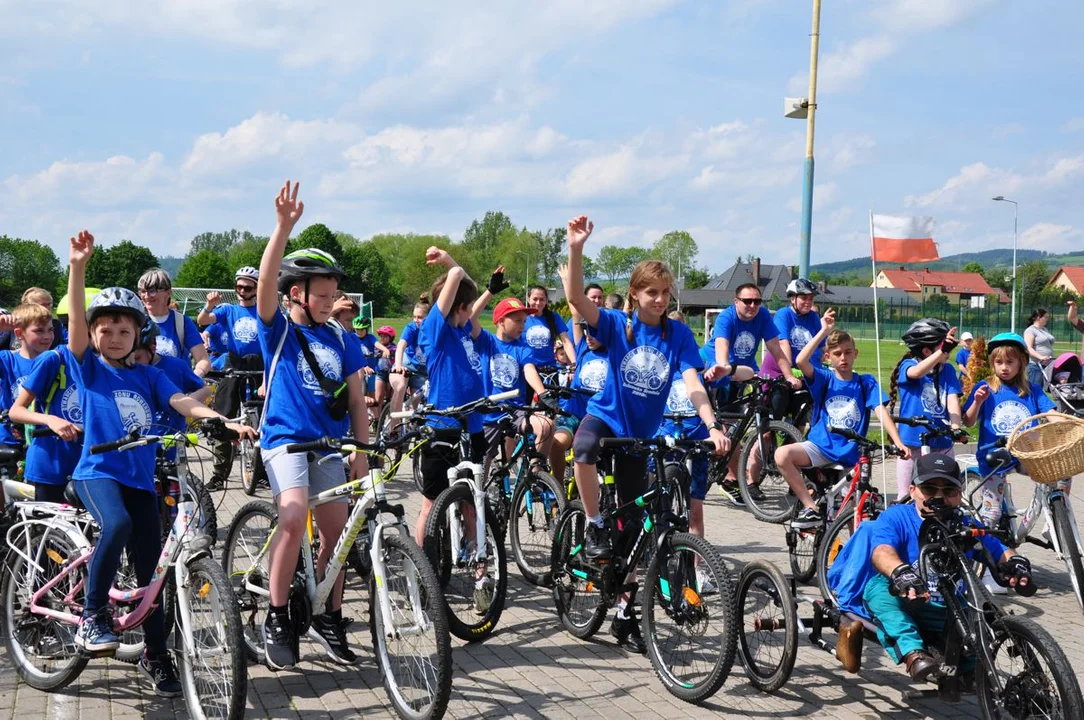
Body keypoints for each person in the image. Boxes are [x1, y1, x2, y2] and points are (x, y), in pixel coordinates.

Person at [60, 230, 253, 696]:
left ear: (137, 335)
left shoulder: (149, 373)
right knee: (118, 525)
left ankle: (157, 655)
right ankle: (92, 616)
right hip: (96, 473)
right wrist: (78, 266)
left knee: (153, 574)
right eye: (104, 329)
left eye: (123, 331)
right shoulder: (88, 366)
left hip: (141, 480)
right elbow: (76, 329)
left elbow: (183, 400)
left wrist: (218, 419)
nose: (113, 337)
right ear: (93, 333)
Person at [561, 215, 727, 654]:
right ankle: (593, 525)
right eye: (651, 292)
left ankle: (624, 615)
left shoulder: (677, 335)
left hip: (641, 434)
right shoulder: (617, 324)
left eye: (665, 292)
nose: (659, 299)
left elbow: (693, 383)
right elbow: (576, 296)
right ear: (635, 294)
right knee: (583, 445)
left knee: (637, 531)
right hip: (607, 418)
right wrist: (576, 247)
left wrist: (711, 424)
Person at [255, 181, 369, 670]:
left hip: (326, 443)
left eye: (334, 294)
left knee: (338, 532)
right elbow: (264, 288)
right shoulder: (277, 328)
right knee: (292, 514)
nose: (330, 301)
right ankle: (277, 615)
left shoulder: (342, 338)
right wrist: (282, 228)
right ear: (296, 294)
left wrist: (361, 450)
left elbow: (359, 399)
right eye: (322, 295)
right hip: (283, 439)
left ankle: (328, 613)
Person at [827, 453, 1034, 680]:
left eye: (948, 491)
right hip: (908, 602)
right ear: (913, 490)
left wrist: (1014, 562)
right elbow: (881, 552)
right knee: (878, 591)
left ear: (959, 494)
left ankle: (985, 677)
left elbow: (997, 548)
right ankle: (913, 654)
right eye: (929, 489)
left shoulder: (964, 523)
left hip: (949, 608)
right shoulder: (896, 516)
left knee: (983, 620)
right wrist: (900, 573)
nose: (939, 496)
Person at [774, 309, 909, 529]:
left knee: (852, 515)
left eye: (848, 352)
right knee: (782, 454)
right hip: (821, 446)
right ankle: (810, 507)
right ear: (828, 357)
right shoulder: (825, 378)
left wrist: (897, 441)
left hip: (851, 455)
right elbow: (800, 360)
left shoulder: (866, 382)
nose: (843, 358)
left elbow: (881, 411)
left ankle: (846, 553)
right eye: (837, 353)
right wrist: (823, 331)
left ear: (855, 354)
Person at [963, 332, 1056, 592]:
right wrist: (978, 401)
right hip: (994, 457)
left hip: (1024, 454)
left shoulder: (1031, 390)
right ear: (992, 364)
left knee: (1057, 472)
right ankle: (991, 570)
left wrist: (1068, 424)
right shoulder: (987, 388)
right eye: (999, 363)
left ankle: (1054, 521)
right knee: (990, 517)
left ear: (1022, 364)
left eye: (1010, 362)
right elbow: (968, 421)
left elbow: (1050, 413)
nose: (1004, 368)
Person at [414, 246, 486, 546]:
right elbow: (459, 278)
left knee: (473, 498)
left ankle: (474, 554)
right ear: (458, 306)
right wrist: (450, 266)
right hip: (443, 425)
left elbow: (466, 285)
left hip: (474, 423)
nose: (472, 311)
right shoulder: (436, 330)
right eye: (467, 305)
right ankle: (422, 566)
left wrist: (447, 260)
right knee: (431, 502)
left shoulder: (461, 329)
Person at [705, 283, 802, 501]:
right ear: (736, 301)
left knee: (737, 427)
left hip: (743, 372)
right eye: (747, 301)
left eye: (757, 301)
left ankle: (732, 478)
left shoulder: (763, 317)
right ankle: (730, 476)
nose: (752, 305)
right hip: (715, 371)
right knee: (724, 427)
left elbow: (776, 349)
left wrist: (788, 376)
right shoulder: (726, 318)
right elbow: (721, 348)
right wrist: (723, 368)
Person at [470, 268, 553, 470]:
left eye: (524, 321)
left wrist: (543, 393)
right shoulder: (487, 341)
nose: (522, 326)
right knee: (481, 467)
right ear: (499, 321)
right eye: (517, 320)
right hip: (489, 413)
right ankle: (479, 500)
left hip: (515, 411)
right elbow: (471, 318)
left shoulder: (522, 347)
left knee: (546, 426)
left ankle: (535, 474)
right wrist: (490, 291)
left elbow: (529, 370)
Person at [197, 266, 264, 489]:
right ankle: (219, 474)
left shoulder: (264, 311)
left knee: (265, 418)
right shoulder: (229, 310)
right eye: (239, 286)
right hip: (234, 362)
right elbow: (203, 319)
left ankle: (262, 471)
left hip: (258, 365)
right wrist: (209, 305)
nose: (242, 291)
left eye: (247, 287)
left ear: (256, 288)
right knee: (222, 416)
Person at [888, 319, 963, 501]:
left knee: (943, 494)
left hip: (941, 442)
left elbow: (952, 399)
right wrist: (940, 353)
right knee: (907, 495)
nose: (948, 354)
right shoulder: (909, 365)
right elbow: (916, 373)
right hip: (911, 445)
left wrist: (955, 428)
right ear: (927, 351)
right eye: (944, 349)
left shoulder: (948, 370)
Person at [549, 301, 609, 484]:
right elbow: (575, 309)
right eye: (586, 331)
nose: (589, 336)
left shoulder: (614, 351)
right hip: (574, 413)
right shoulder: (583, 346)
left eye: (594, 332)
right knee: (557, 443)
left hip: (600, 416)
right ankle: (557, 491)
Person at [1, 303, 64, 475]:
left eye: (50, 330)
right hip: (10, 437)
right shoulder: (8, 360)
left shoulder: (58, 360)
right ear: (19, 334)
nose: (47, 336)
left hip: (47, 437)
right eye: (39, 331)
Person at [137, 269, 211, 376]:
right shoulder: (136, 321)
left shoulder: (182, 322)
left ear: (168, 292)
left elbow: (203, 359)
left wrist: (195, 377)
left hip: (177, 390)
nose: (147, 296)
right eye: (143, 291)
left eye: (152, 290)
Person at [389, 298, 430, 429]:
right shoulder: (412, 328)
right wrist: (398, 365)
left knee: (418, 410)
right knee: (401, 386)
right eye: (414, 316)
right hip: (405, 366)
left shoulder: (434, 331)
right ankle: (394, 429)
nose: (416, 320)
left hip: (422, 373)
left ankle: (412, 434)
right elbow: (401, 346)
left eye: (420, 317)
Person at [0, 287, 67, 351]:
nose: (47, 308)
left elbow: (70, 344)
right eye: (42, 305)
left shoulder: (57, 325)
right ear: (27, 306)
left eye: (49, 305)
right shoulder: (12, 324)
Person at [523, 285, 573, 368]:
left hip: (549, 369)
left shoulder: (553, 317)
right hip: (527, 368)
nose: (538, 303)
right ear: (528, 299)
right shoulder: (522, 318)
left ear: (546, 301)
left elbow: (566, 342)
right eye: (535, 299)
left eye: (542, 299)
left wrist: (573, 365)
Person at [1023, 308, 1055, 387]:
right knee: (1034, 390)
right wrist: (1041, 357)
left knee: (1043, 390)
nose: (1047, 319)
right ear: (1038, 317)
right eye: (1045, 317)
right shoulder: (1030, 330)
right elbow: (1028, 348)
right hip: (1036, 366)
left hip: (1047, 365)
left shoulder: (1044, 329)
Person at [373, 325, 396, 408]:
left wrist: (391, 352)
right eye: (381, 336)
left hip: (391, 374)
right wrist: (379, 353)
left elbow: (394, 351)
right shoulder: (377, 347)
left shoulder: (394, 347)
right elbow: (375, 353)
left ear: (391, 338)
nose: (382, 338)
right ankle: (378, 419)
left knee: (392, 397)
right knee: (378, 397)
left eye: (385, 336)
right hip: (380, 373)